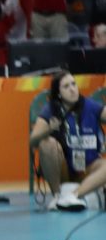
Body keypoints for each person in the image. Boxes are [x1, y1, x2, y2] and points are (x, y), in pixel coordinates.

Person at [31, 71, 106, 210]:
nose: (72, 89)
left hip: (88, 167)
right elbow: (32, 141)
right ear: (58, 93)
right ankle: (57, 196)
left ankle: (72, 196)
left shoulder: (90, 106)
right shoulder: (51, 109)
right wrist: (48, 129)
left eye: (73, 84)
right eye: (66, 86)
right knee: (46, 143)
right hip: (64, 170)